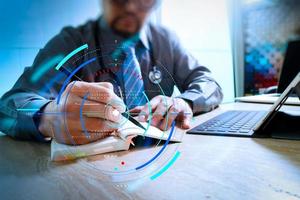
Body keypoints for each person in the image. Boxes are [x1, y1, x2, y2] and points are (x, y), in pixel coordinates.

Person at [0, 0, 223, 145]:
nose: (130, 7)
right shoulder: (71, 42)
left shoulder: (166, 41)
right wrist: (48, 117)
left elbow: (208, 82)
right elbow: (10, 103)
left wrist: (185, 102)